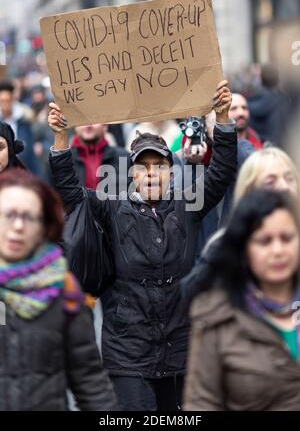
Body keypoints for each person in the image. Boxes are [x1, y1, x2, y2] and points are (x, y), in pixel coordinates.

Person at [48, 79, 237, 411]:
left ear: (170, 172)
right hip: (127, 349)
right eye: (143, 167)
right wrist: (61, 138)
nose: (151, 174)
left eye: (159, 167)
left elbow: (220, 171)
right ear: (131, 173)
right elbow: (69, 190)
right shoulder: (111, 206)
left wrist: (222, 118)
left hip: (180, 345)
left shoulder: (188, 204)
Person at [0, 169, 117, 411]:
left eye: (30, 217)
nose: (19, 226)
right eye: (9, 215)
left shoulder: (65, 293)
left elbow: (91, 384)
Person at [184, 189, 300, 411]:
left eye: (286, 238)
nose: (278, 250)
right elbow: (202, 402)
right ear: (245, 250)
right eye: (264, 241)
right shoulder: (216, 315)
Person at [181, 146, 300, 308]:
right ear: (249, 190)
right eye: (271, 182)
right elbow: (190, 294)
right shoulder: (226, 243)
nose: (284, 187)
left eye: (289, 178)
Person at [0, 81, 40, 174]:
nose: (5, 104)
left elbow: (30, 144)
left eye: (7, 100)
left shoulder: (24, 118)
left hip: (23, 164)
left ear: (12, 99)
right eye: (2, 101)